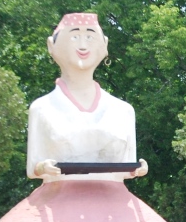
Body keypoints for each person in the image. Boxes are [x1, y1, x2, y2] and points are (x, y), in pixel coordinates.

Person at [27, 13, 148, 183]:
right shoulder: (42, 108)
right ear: (51, 45)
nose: (83, 46)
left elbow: (127, 167)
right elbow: (33, 167)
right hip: (60, 201)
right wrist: (42, 167)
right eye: (74, 37)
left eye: (90, 37)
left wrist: (138, 169)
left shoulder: (123, 110)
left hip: (114, 202)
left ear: (104, 44)